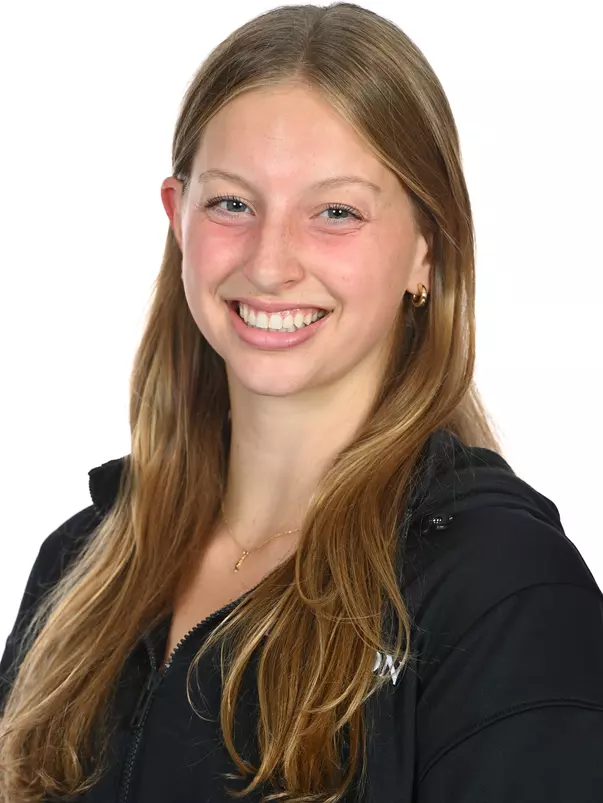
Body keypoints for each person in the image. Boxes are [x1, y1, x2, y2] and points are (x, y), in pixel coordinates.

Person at [1, 3, 602, 802]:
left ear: (428, 246)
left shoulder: (499, 591)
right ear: (178, 218)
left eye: (336, 213)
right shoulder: (80, 567)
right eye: (232, 204)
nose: (271, 262)